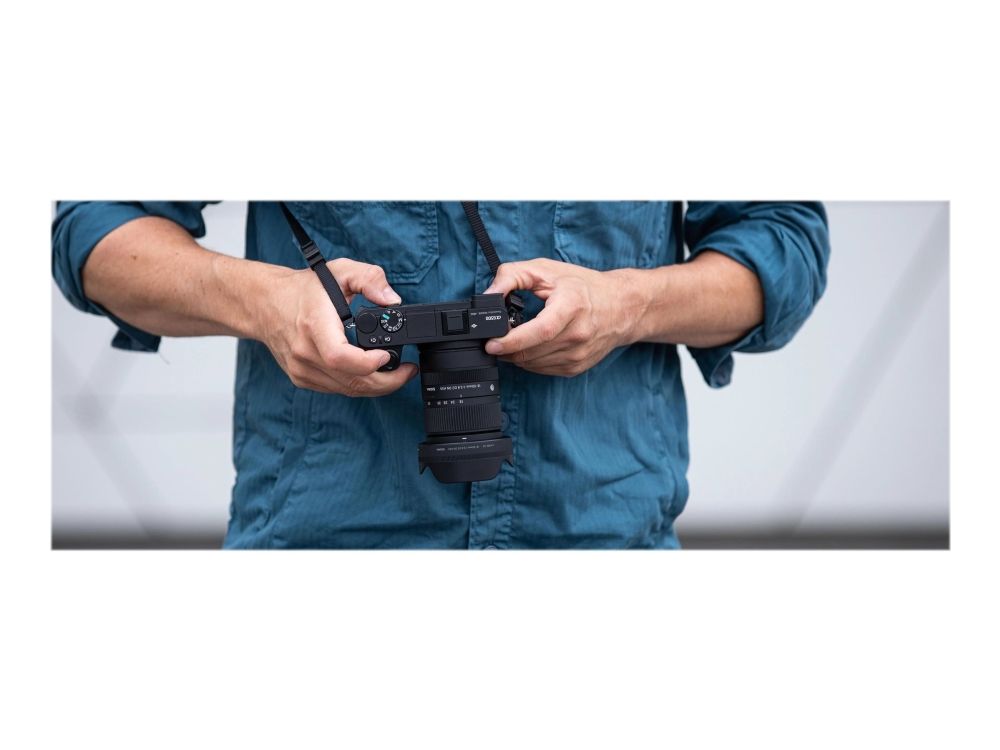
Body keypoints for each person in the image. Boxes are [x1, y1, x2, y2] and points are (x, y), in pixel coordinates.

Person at [52, 201, 830, 549]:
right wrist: (268, 301)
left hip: (602, 537)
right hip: (326, 545)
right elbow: (93, 229)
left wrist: (629, 305)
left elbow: (784, 241)